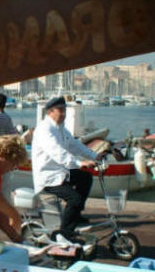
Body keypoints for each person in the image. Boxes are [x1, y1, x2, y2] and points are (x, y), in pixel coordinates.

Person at [32, 96, 105, 237]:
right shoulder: (44, 129)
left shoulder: (60, 128)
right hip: (49, 177)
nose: (63, 113)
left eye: (64, 110)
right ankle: (65, 233)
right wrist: (79, 163)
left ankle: (75, 215)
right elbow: (57, 152)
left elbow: (75, 145)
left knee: (85, 178)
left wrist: (95, 156)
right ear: (50, 112)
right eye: (60, 110)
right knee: (75, 199)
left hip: (61, 173)